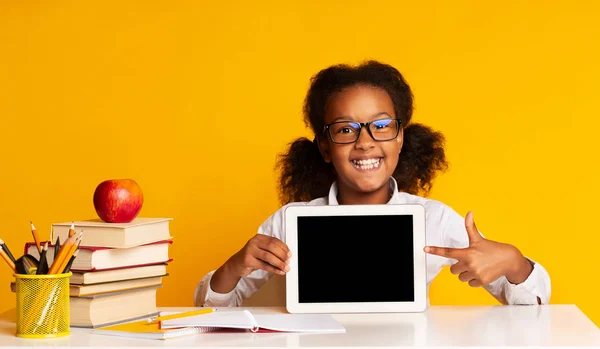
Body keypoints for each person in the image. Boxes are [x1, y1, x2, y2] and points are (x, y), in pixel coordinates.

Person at [194, 60, 551, 307]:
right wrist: (234, 266)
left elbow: (534, 304)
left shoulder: (435, 220)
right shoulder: (289, 221)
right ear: (325, 147)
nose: (365, 141)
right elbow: (208, 309)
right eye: (346, 129)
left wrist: (513, 263)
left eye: (381, 126)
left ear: (400, 139)